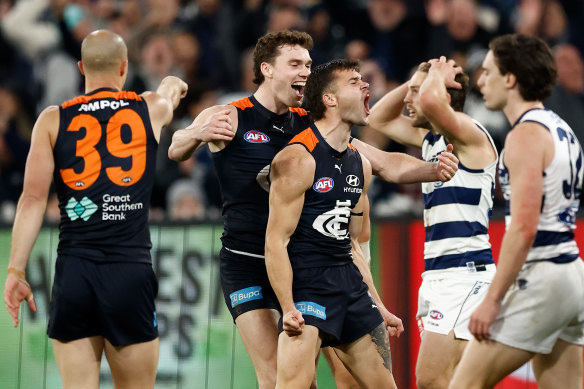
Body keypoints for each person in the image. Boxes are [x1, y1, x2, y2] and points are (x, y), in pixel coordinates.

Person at [168, 30, 458, 388]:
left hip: (302, 264)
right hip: (248, 262)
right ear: (267, 69)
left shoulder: (308, 122)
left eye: (307, 63)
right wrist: (197, 133)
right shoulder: (230, 115)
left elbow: (382, 163)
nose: (305, 71)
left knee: (339, 377)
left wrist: (433, 169)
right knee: (278, 375)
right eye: (294, 64)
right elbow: (175, 147)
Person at [3, 29, 187, 389]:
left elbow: (32, 200)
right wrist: (172, 82)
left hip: (75, 273)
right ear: (124, 68)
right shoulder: (149, 107)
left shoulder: (53, 120)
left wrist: (15, 270)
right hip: (129, 273)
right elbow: (170, 91)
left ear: (80, 68)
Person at [450, 33, 584, 389]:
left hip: (542, 275)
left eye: (489, 72)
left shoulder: (525, 136)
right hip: (571, 276)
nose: (480, 81)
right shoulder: (561, 129)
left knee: (463, 385)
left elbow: (523, 228)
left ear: (510, 79)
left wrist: (492, 300)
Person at [363, 57, 498, 389]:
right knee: (456, 381)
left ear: (443, 93)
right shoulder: (431, 139)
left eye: (416, 92)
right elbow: (377, 117)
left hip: (465, 275)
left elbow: (429, 102)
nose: (409, 100)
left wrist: (435, 76)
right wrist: (415, 80)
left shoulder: (470, 133)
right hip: (439, 275)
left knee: (430, 378)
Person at [265, 58, 399, 389]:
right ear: (330, 99)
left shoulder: (360, 165)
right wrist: (287, 306)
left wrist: (379, 304)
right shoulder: (297, 158)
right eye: (354, 82)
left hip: (350, 287)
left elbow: (351, 243)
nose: (366, 85)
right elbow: (275, 241)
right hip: (308, 286)